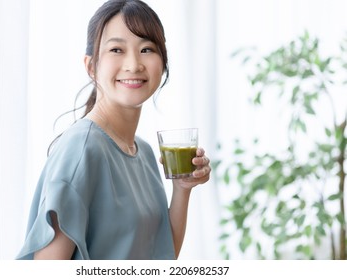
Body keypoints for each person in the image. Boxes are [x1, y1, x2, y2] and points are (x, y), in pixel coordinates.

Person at [16, 0, 211, 260]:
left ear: (163, 64)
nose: (133, 64)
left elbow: (160, 256)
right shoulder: (82, 149)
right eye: (117, 49)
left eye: (147, 49)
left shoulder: (145, 153)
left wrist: (182, 188)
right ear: (91, 66)